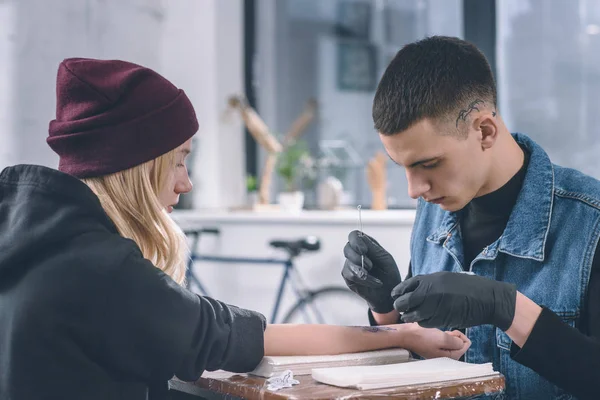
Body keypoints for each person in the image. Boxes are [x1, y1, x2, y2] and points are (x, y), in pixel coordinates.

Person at [0, 58, 470, 400]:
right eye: (179, 160)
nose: (185, 183)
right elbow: (243, 338)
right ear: (135, 166)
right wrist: (404, 336)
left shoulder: (29, 244)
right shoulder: (100, 271)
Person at [341, 36, 600, 399]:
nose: (415, 189)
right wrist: (386, 311)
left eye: (428, 163)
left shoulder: (591, 223)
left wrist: (507, 308)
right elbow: (419, 363)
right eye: (403, 167)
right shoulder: (432, 214)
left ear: (485, 131)